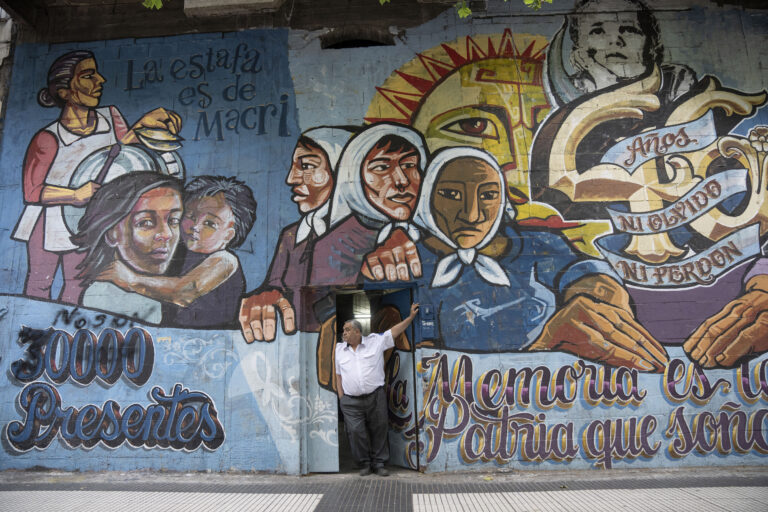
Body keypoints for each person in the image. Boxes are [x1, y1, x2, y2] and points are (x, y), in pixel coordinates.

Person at [412, 147, 667, 370]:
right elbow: (428, 371)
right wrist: (546, 345)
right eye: (452, 195)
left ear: (503, 202)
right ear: (427, 198)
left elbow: (589, 278)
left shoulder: (535, 244)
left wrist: (605, 307)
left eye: (488, 195)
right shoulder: (410, 263)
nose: (471, 215)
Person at [12, 50, 181, 305]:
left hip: (87, 220)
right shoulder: (48, 138)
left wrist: (145, 123)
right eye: (89, 76)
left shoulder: (110, 116)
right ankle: (33, 339)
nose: (100, 80)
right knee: (40, 283)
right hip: (50, 221)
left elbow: (122, 148)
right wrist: (76, 194)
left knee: (78, 284)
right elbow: (32, 191)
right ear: (65, 91)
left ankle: (66, 336)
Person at [97, 175, 257, 329]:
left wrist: (131, 280)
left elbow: (185, 291)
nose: (195, 226)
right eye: (191, 216)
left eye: (209, 223)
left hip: (208, 343)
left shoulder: (224, 260)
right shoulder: (176, 253)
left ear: (228, 235)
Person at [239, 126, 353, 342]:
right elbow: (275, 287)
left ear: (343, 170)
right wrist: (264, 298)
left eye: (307, 166)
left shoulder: (364, 235)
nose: (291, 178)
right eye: (294, 167)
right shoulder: (291, 235)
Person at [310, 123, 427, 286]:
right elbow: (328, 307)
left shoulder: (435, 229)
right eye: (382, 167)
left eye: (409, 165)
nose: (402, 180)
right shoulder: (335, 245)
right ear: (355, 180)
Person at [71, 172, 183, 324]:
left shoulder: (153, 296)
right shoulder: (107, 300)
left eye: (174, 220)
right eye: (146, 223)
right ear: (112, 235)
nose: (166, 234)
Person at [335, 302, 419, 477]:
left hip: (375, 396)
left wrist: (410, 317)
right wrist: (342, 398)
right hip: (351, 401)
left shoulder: (375, 341)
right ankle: (364, 463)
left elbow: (394, 331)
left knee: (379, 429)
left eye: (347, 329)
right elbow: (338, 376)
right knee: (356, 433)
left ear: (358, 332)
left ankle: (379, 463)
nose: (344, 333)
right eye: (343, 330)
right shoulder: (339, 350)